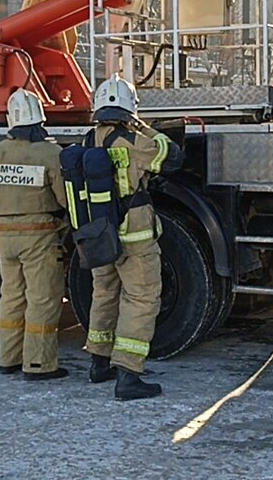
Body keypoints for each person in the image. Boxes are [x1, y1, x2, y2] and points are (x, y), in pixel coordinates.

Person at [83, 75, 183, 401]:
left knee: (105, 293)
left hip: (100, 233)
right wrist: (146, 127)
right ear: (130, 109)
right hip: (134, 234)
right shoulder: (135, 142)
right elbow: (171, 156)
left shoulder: (88, 141)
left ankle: (99, 362)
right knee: (141, 299)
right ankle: (128, 375)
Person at [0, 90, 70, 381]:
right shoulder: (51, 154)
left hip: (4, 235)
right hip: (39, 236)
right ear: (40, 119)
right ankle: (39, 364)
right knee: (42, 298)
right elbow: (64, 198)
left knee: (12, 296)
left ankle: (9, 359)